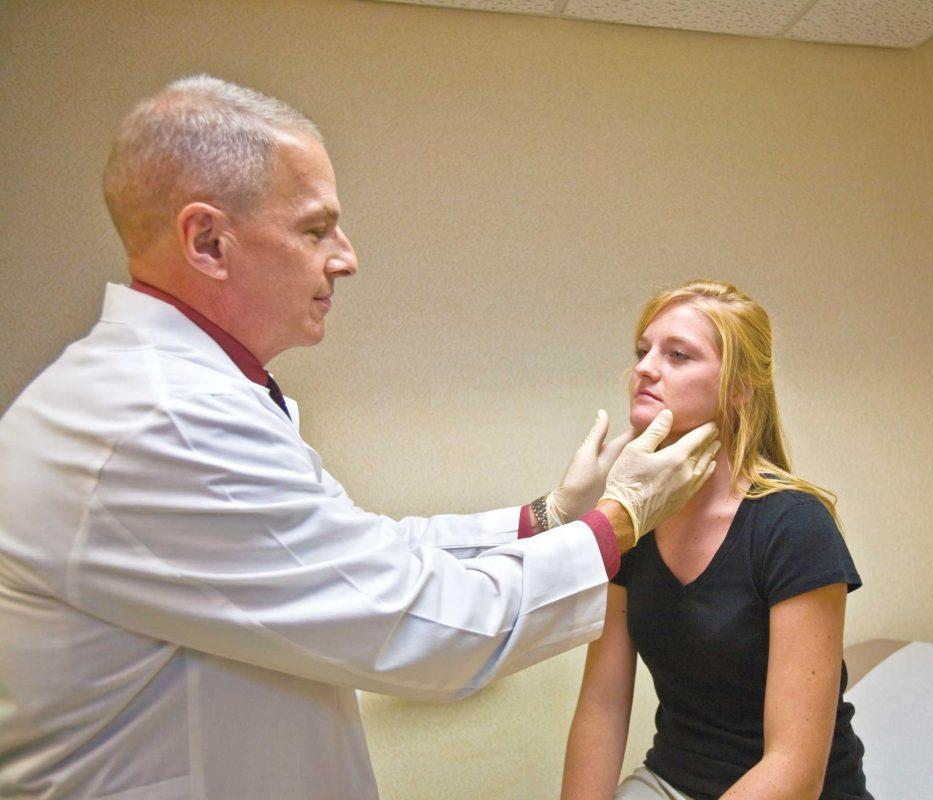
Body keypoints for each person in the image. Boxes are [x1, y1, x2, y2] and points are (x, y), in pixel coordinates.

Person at [0, 76, 722, 800]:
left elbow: (360, 555)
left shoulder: (178, 398)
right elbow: (425, 627)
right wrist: (620, 518)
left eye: (681, 354)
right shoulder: (168, 421)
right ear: (209, 242)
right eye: (315, 229)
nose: (346, 257)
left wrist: (550, 518)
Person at [561, 280, 871, 800]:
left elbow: (795, 767)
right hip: (671, 781)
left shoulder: (793, 526)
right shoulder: (630, 523)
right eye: (643, 351)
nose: (644, 368)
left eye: (678, 354)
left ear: (739, 388)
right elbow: (602, 705)